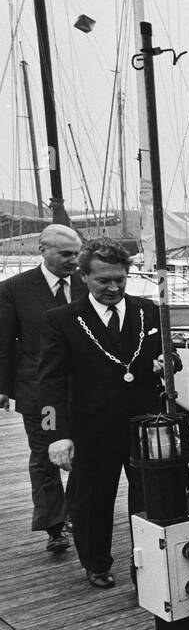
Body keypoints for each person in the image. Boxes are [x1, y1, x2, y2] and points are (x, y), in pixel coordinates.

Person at [36, 238, 180, 589]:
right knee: (91, 502)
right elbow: (48, 384)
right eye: (104, 281)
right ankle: (96, 563)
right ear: (84, 277)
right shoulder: (62, 321)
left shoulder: (148, 311)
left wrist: (167, 362)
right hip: (92, 430)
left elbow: (170, 357)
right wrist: (55, 435)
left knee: (149, 500)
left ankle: (144, 567)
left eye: (120, 279)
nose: (113, 287)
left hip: (145, 428)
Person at [0, 225, 87, 554]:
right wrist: (3, 387)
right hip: (40, 396)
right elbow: (4, 343)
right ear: (43, 250)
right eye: (66, 254)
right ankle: (54, 525)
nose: (74, 261)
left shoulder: (85, 284)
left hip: (82, 393)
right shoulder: (15, 289)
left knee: (85, 455)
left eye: (77, 254)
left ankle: (77, 512)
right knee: (45, 455)